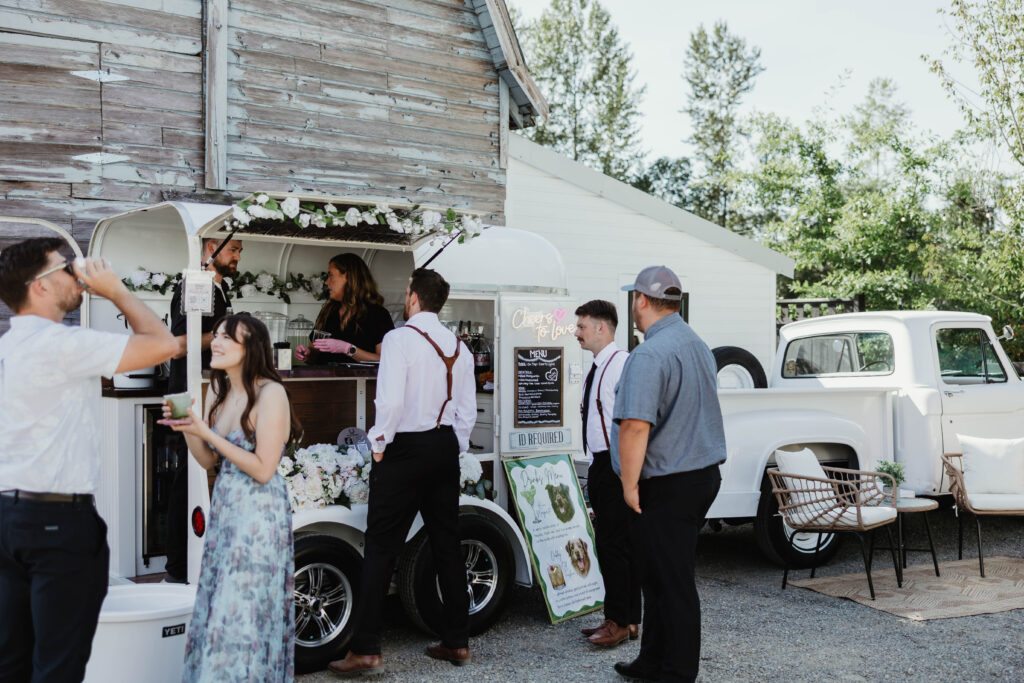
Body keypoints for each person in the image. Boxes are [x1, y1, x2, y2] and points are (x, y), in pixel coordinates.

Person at [0, 238, 178, 683]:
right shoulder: (61, 344)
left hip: (5, 518)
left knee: (11, 663)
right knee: (58, 665)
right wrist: (115, 289)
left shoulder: (7, 348)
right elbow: (163, 344)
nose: (79, 275)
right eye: (67, 269)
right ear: (38, 286)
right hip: (55, 522)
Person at [329, 268, 476, 675]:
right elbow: (467, 410)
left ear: (413, 298)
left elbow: (389, 402)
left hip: (404, 448)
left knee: (381, 547)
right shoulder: (458, 347)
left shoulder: (398, 339)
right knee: (447, 542)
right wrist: (454, 446)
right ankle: (457, 641)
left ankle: (367, 648)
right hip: (444, 447)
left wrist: (378, 444)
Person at [163, 313, 301, 681]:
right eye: (218, 336)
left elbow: (263, 468)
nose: (217, 342)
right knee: (218, 607)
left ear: (250, 348)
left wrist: (206, 431)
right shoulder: (219, 391)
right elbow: (208, 460)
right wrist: (188, 428)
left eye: (228, 338)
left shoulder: (271, 393)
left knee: (243, 613)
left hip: (260, 516)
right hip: (226, 509)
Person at [611, 266, 726, 683]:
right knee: (657, 575)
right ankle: (652, 661)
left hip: (667, 483)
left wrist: (627, 485)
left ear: (640, 300)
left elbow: (636, 426)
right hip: (698, 476)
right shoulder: (695, 343)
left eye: (634, 299)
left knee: (672, 580)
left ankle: (676, 672)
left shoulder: (649, 353)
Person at [164, 236, 243, 584]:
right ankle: (178, 569)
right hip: (187, 395)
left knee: (197, 476)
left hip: (205, 395)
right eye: (233, 248)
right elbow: (180, 345)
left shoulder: (219, 290)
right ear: (211, 247)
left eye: (239, 250)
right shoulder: (194, 286)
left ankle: (190, 565)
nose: (238, 255)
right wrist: (231, 332)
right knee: (187, 479)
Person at [573, 300, 640, 648]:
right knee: (616, 545)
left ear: (602, 327)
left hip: (615, 464)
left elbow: (630, 421)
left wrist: (622, 470)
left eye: (582, 326)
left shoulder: (620, 365)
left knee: (614, 546)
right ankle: (627, 619)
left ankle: (619, 620)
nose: (576, 333)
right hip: (602, 463)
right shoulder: (598, 366)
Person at [294, 253, 394, 364]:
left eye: (331, 275)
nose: (326, 282)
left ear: (349, 278)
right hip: (323, 380)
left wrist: (347, 349)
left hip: (359, 381)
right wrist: (307, 354)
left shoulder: (378, 314)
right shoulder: (329, 311)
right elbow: (314, 352)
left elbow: (386, 360)